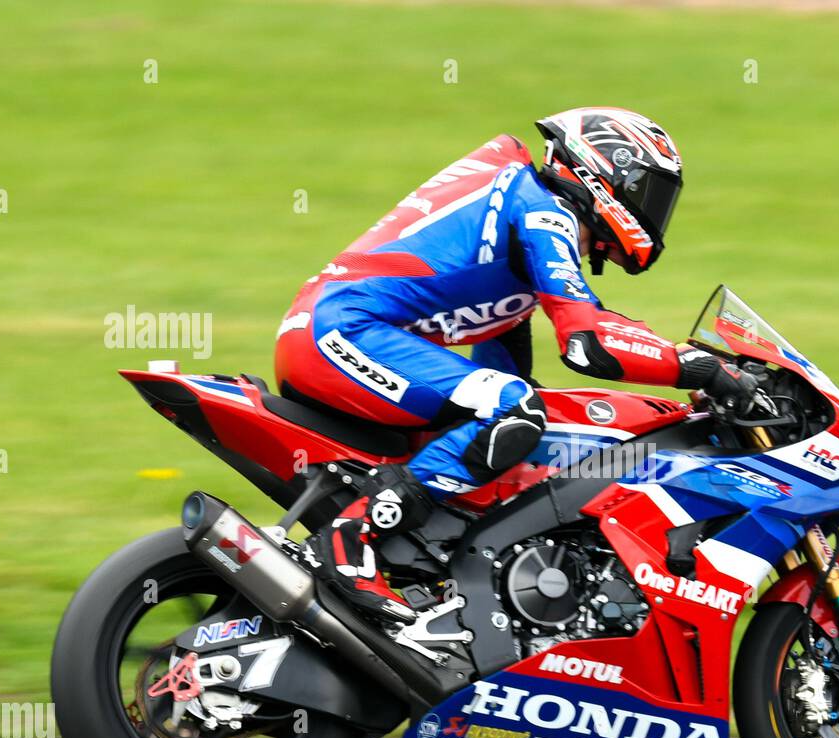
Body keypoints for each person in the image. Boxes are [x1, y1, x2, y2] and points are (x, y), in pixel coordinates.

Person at [274, 107, 756, 618]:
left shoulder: (525, 212)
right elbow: (587, 345)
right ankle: (352, 536)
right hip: (341, 334)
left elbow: (520, 350)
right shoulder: (544, 213)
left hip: (338, 333)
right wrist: (705, 370)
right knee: (515, 409)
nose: (655, 212)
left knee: (521, 418)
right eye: (651, 194)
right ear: (606, 172)